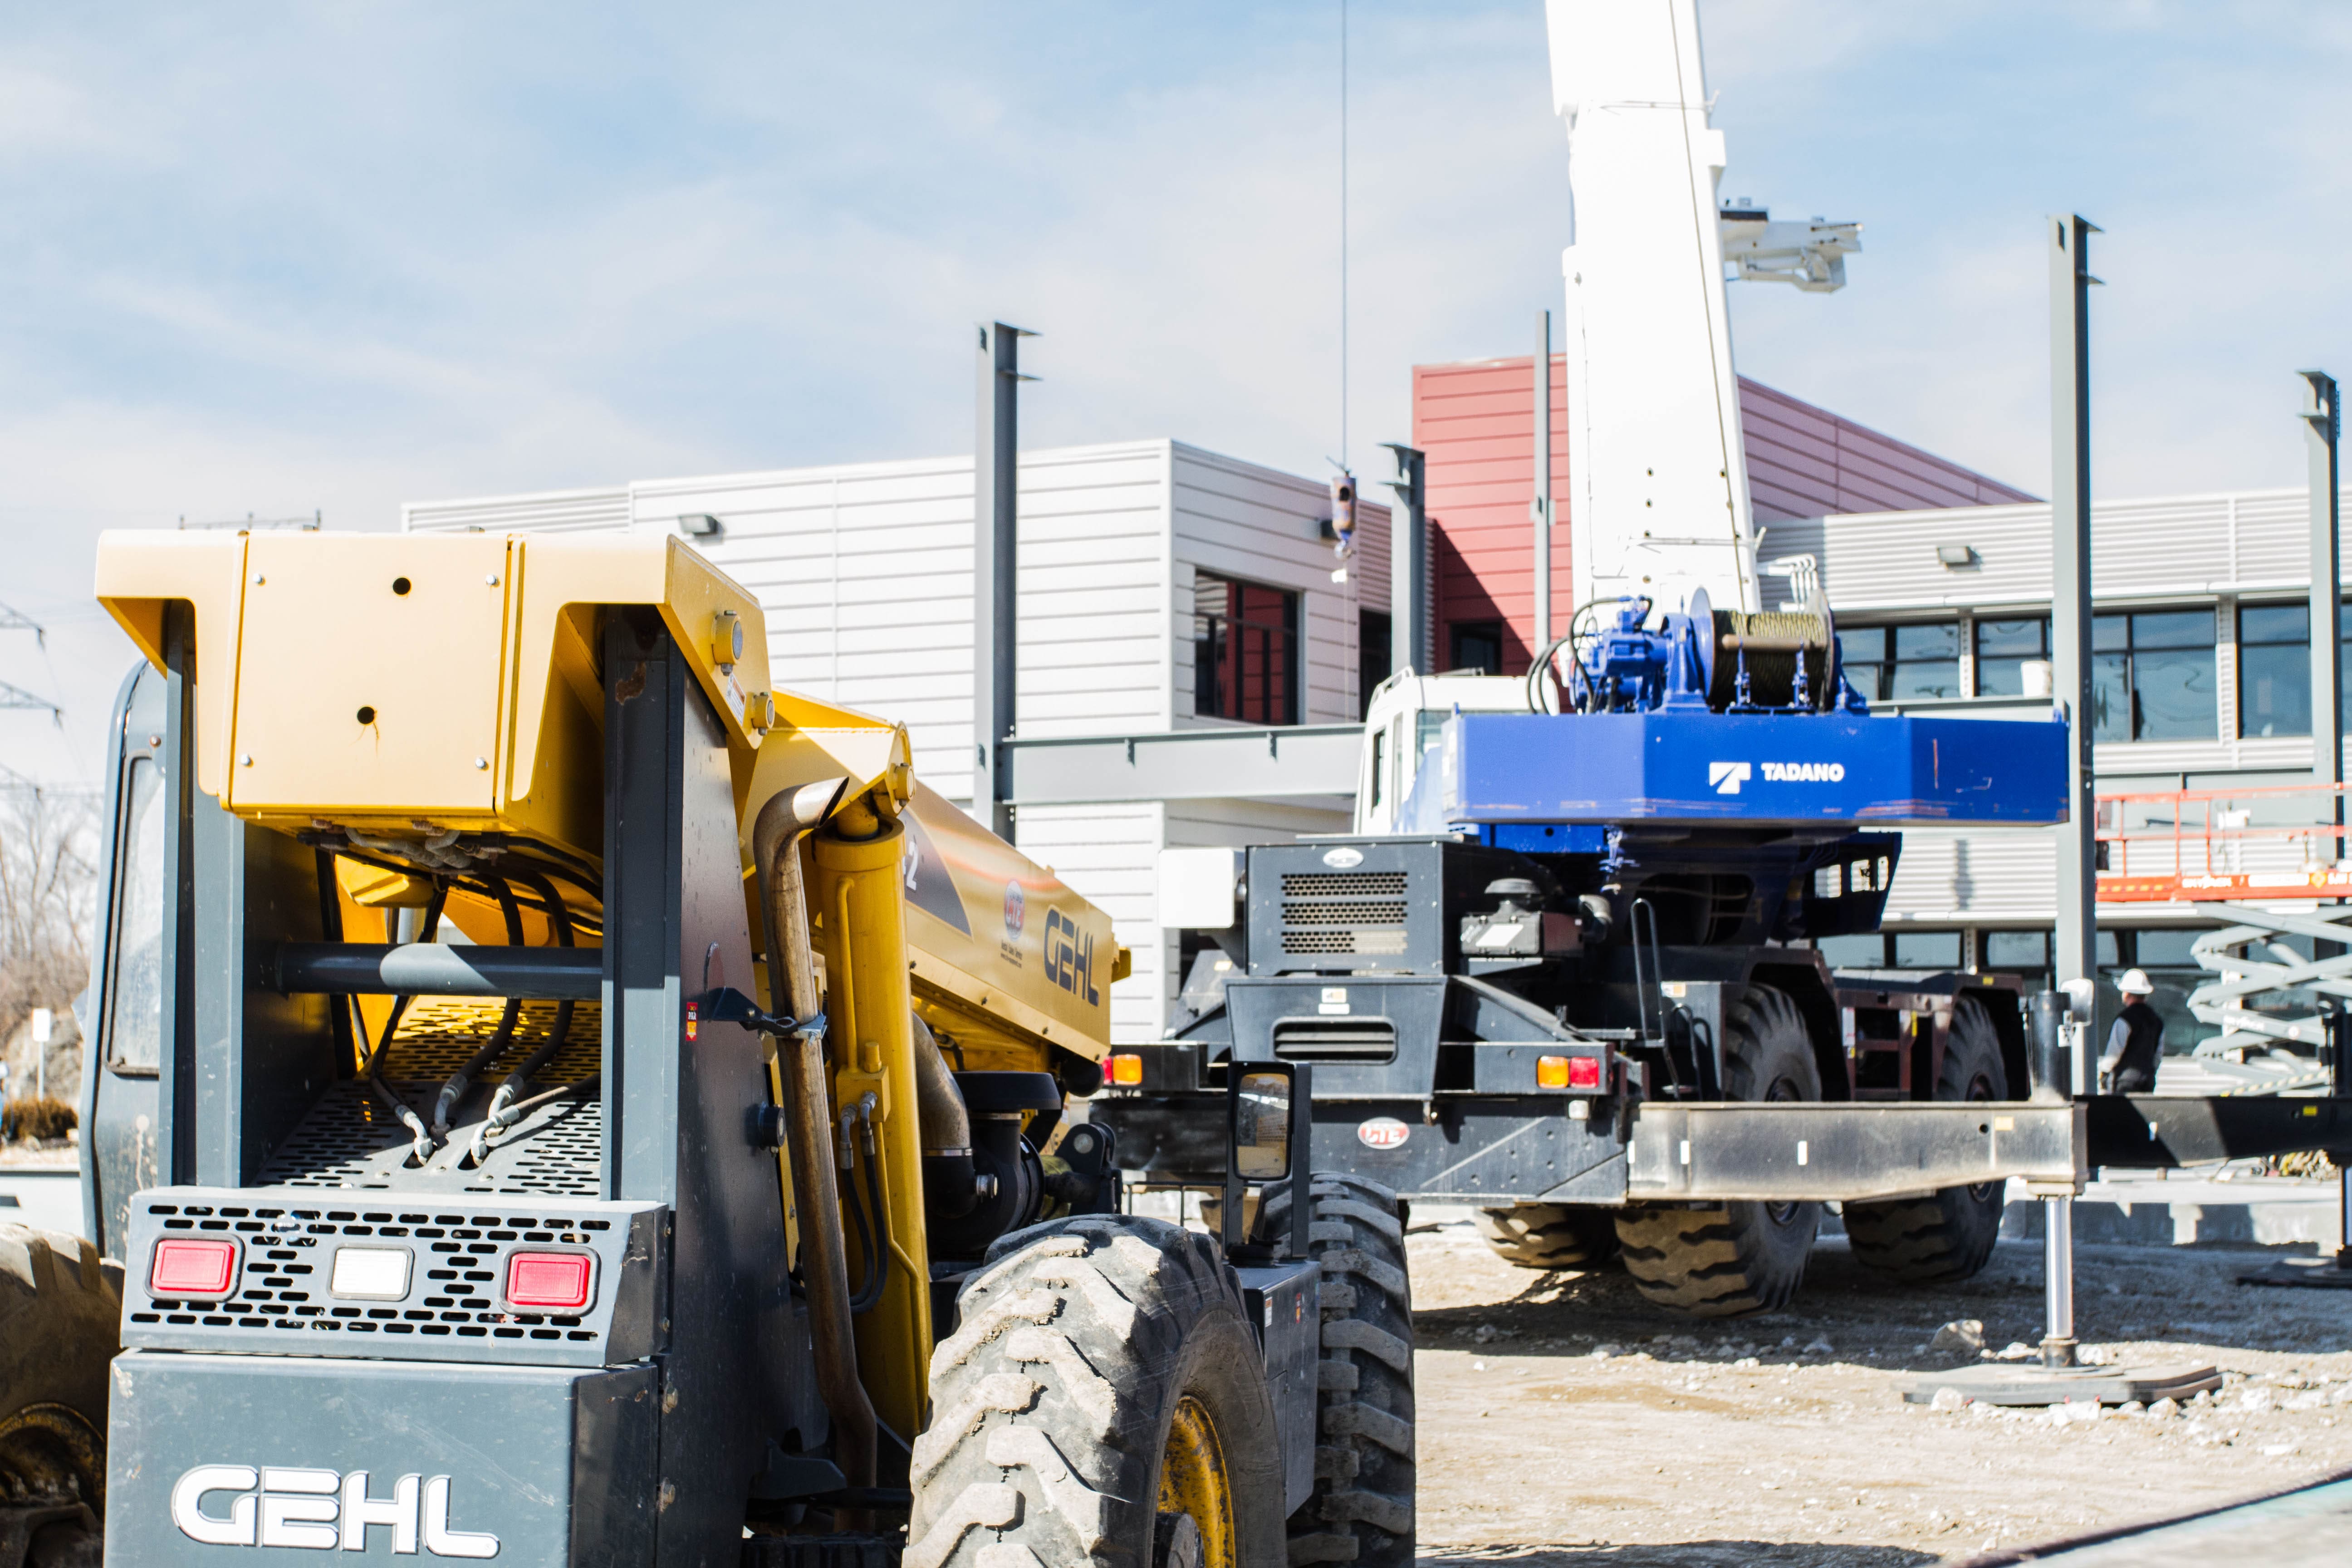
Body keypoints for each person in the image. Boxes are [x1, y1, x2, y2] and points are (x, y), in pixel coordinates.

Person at [2101, 968, 2164, 1093]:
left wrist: (2105, 1072)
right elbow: (2158, 1055)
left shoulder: (2124, 1019)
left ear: (2127, 994)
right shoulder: (2157, 1020)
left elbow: (2115, 1052)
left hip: (2125, 1081)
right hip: (2148, 1079)